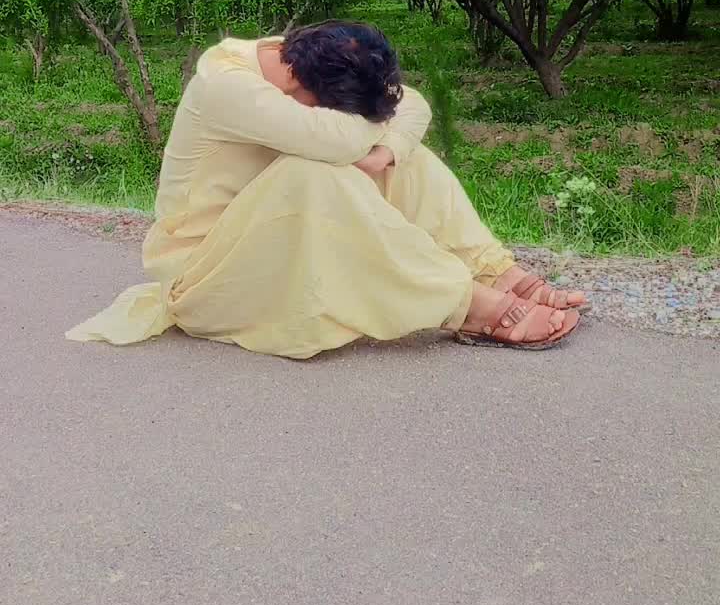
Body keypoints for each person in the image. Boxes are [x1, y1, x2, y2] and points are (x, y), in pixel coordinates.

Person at [66, 21, 584, 359]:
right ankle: (465, 305)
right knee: (312, 172)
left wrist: (386, 150)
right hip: (205, 276)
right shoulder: (225, 86)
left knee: (401, 157)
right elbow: (341, 137)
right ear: (299, 85)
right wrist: (381, 125)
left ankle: (494, 271)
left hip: (267, 247)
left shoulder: (300, 59)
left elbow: (411, 102)